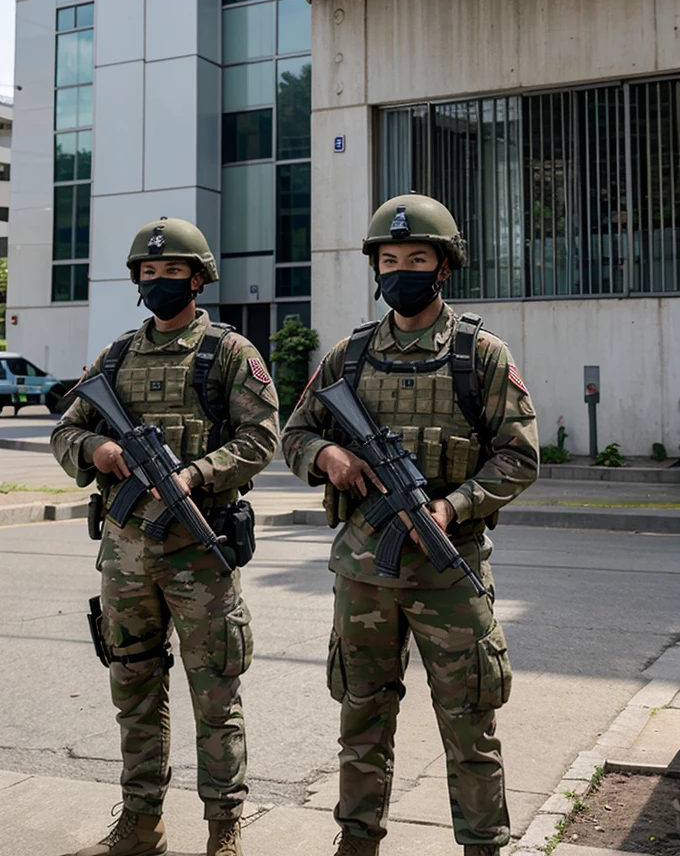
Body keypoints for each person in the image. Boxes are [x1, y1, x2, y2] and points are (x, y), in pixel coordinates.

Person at [282, 194, 539, 856]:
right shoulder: (350, 355)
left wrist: (453, 506)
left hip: (449, 572)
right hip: (363, 574)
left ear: (444, 267)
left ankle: (483, 845)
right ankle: (357, 843)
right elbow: (296, 432)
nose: (401, 271)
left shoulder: (479, 354)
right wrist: (327, 454)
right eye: (389, 260)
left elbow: (520, 456)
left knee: (469, 725)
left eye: (416, 259)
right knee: (362, 718)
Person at [51, 217, 279, 856]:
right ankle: (140, 822)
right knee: (133, 690)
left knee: (216, 696)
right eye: (148, 274)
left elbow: (262, 439)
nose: (159, 282)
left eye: (172, 272)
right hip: (125, 554)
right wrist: (96, 447)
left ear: (199, 278)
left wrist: (196, 473)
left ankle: (223, 828)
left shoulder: (231, 353)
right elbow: (66, 428)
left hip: (199, 553)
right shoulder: (117, 356)